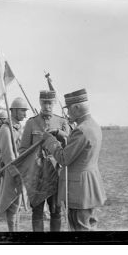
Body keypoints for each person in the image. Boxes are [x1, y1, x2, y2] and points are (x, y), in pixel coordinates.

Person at [40, 89, 106, 231]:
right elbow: (81, 148)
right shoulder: (92, 125)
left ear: (76, 107)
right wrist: (60, 133)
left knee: (79, 228)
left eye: (69, 108)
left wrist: (50, 141)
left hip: (79, 190)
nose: (68, 112)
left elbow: (63, 158)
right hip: (90, 186)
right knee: (90, 226)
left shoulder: (81, 130)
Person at [19, 90, 69, 232]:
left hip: (56, 174)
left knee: (55, 211)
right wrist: (33, 163)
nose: (47, 106)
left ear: (54, 103)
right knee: (37, 212)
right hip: (38, 175)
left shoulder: (61, 122)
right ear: (40, 102)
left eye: (50, 103)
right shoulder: (31, 123)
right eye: (44, 102)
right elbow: (23, 150)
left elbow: (68, 149)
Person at [0, 98, 29, 231]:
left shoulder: (19, 128)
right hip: (12, 173)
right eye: (22, 110)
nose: (25, 114)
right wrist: (16, 175)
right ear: (14, 111)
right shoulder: (6, 129)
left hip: (21, 172)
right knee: (11, 205)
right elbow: (8, 155)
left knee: (18, 205)